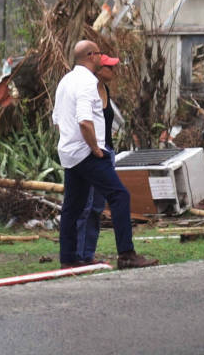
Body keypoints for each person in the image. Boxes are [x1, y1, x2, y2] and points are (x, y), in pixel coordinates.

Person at [52, 40, 158, 270]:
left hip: (70, 153)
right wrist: (96, 149)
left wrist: (73, 143)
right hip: (88, 152)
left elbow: (58, 121)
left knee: (73, 206)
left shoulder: (66, 80)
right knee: (119, 195)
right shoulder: (88, 82)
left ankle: (69, 259)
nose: (102, 58)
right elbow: (85, 122)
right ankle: (127, 254)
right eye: (99, 53)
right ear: (91, 56)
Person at [75, 53, 118, 263]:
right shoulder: (86, 90)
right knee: (86, 205)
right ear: (98, 70)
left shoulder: (105, 90)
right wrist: (95, 150)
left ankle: (88, 254)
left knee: (98, 206)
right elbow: (83, 123)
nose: (113, 71)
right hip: (92, 154)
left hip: (107, 152)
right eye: (109, 67)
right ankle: (78, 254)